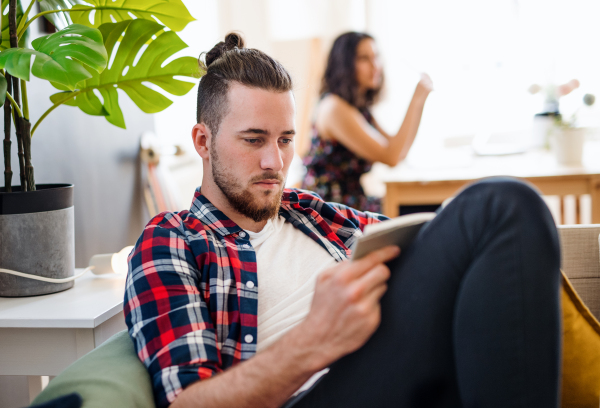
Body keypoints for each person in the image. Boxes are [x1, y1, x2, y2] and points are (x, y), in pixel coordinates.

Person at [124, 33, 561, 408]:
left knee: (501, 212)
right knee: (501, 206)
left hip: (391, 367)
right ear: (203, 140)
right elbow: (187, 401)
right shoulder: (172, 239)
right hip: (308, 392)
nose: (274, 161)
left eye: (286, 139)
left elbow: (428, 254)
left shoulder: (308, 212)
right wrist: (314, 340)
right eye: (253, 139)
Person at [301, 32, 433, 212]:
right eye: (364, 58)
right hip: (329, 212)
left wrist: (420, 103)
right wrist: (416, 100)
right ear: (345, 64)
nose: (375, 66)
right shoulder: (334, 108)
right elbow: (391, 157)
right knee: (417, 210)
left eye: (376, 57)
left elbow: (398, 150)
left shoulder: (357, 109)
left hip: (350, 204)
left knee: (419, 208)